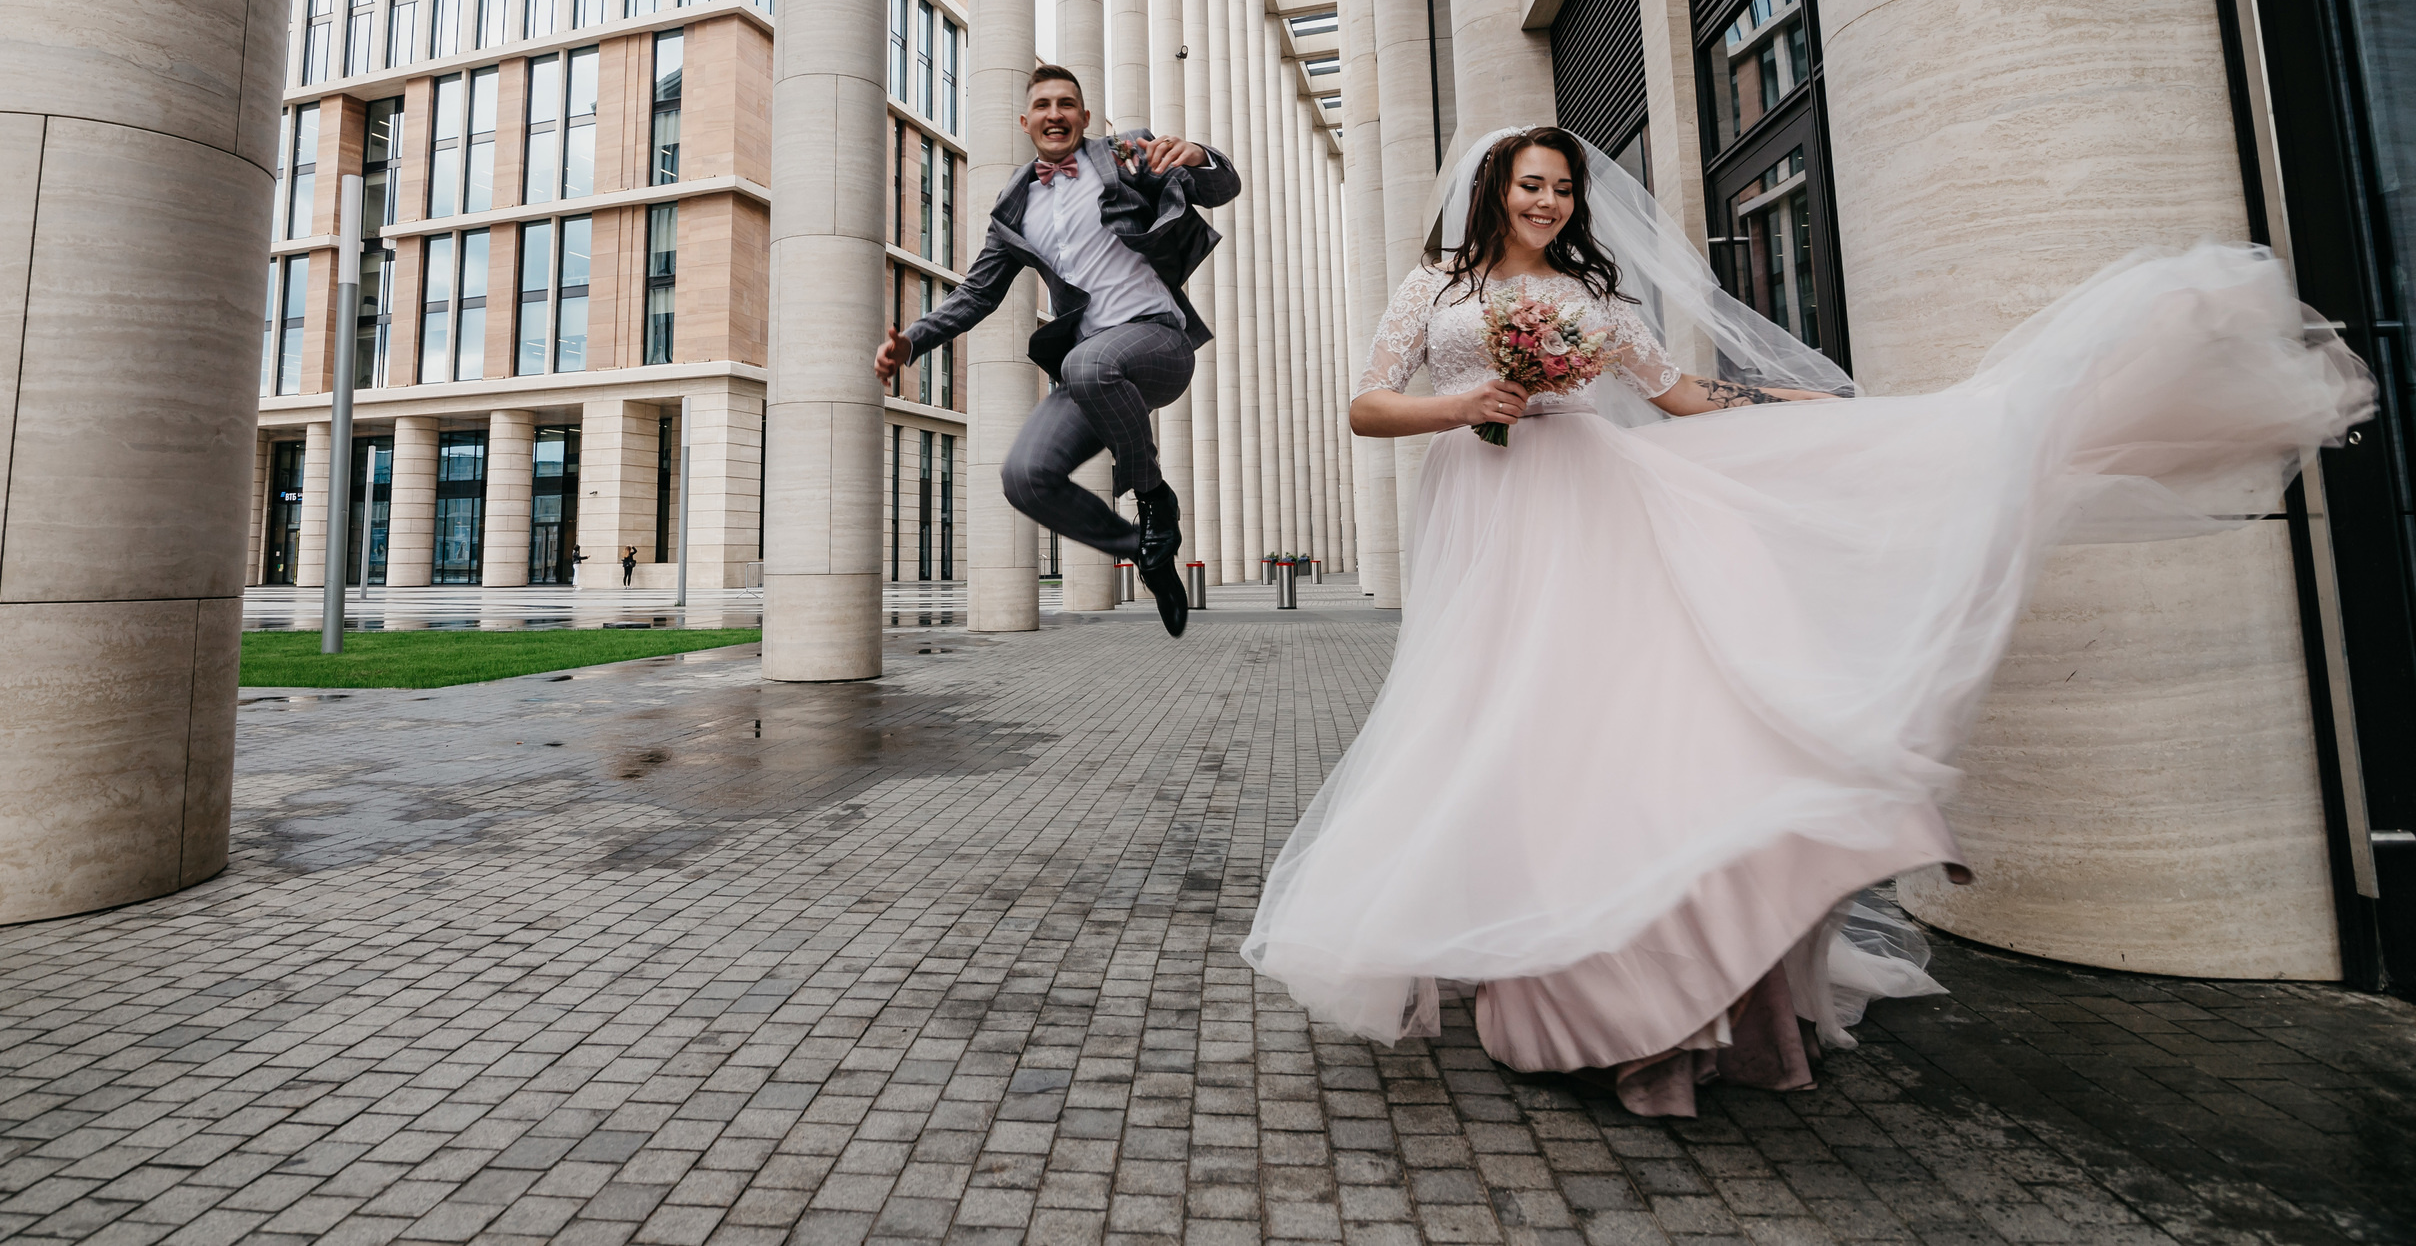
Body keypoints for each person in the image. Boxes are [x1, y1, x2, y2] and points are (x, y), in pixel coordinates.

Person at [1242, 126, 2371, 1116]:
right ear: (1493, 190)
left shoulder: (1595, 302)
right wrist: (1465, 403)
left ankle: (1622, 965)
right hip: (1481, 507)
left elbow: (1679, 397)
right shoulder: (1435, 290)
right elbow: (1364, 403)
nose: (1548, 203)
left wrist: (1800, 407)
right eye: (1530, 186)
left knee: (1593, 715)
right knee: (1486, 713)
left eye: (1562, 190)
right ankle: (1523, 931)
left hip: (1589, 502)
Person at [876, 64, 1239, 635]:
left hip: (1159, 343)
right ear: (1026, 122)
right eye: (1043, 106)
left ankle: (1154, 501)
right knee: (1026, 477)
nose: (1055, 114)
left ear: (1084, 117)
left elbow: (1223, 188)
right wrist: (912, 341)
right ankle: (1146, 549)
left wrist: (1197, 155)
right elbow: (976, 294)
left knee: (1086, 362)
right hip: (1095, 371)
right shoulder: (1014, 209)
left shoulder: (1126, 154)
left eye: (1066, 104)